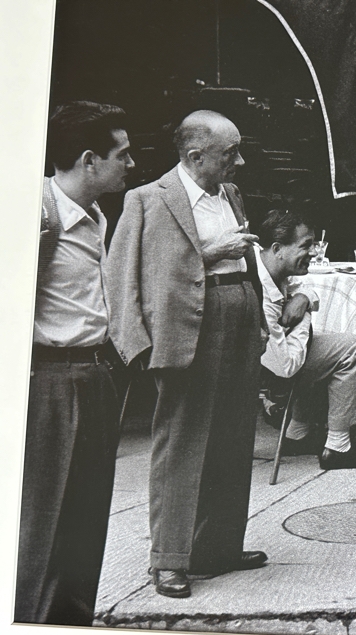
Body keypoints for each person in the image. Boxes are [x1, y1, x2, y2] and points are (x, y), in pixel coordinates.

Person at [107, 110, 266, 599]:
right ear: (195, 156)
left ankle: (217, 547)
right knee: (181, 443)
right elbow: (120, 277)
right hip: (186, 332)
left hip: (238, 318)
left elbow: (247, 261)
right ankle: (169, 560)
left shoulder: (230, 194)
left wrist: (258, 318)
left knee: (235, 435)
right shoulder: (147, 200)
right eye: (228, 153)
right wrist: (136, 348)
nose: (238, 161)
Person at [15, 101, 134, 625]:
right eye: (122, 154)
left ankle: (72, 630)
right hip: (52, 380)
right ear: (90, 160)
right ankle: (30, 632)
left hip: (93, 374)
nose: (130, 164)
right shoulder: (36, 215)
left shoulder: (93, 213)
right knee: (44, 523)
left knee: (86, 518)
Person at [254, 208, 356, 469]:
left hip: (271, 360)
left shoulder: (271, 270)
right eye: (306, 245)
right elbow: (285, 368)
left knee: (323, 345)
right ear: (278, 248)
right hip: (264, 375)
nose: (313, 252)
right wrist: (302, 320)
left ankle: (296, 433)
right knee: (350, 348)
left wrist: (302, 299)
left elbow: (304, 290)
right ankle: (338, 446)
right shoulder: (263, 295)